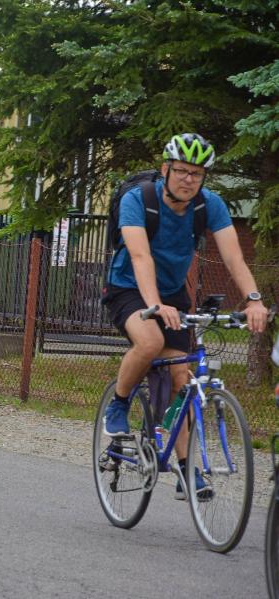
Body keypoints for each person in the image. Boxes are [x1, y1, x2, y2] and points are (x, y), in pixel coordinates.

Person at [101, 133, 269, 500]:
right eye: (181, 171)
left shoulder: (209, 205)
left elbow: (234, 257)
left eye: (196, 173)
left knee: (183, 379)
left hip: (174, 294)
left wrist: (253, 300)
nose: (188, 179)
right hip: (128, 287)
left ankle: (185, 469)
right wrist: (154, 305)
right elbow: (141, 257)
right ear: (165, 169)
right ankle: (119, 401)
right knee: (150, 341)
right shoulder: (138, 200)